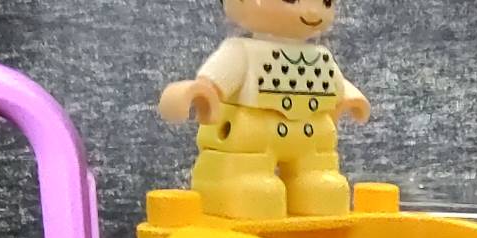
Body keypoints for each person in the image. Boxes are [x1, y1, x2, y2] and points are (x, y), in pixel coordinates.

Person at [157, 0, 371, 219]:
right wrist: (200, 92)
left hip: (312, 134)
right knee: (253, 182)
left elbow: (337, 85)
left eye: (325, 2)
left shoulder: (319, 56)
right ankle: (242, 180)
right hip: (252, 134)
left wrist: (350, 99)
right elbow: (215, 81)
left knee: (320, 177)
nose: (312, 10)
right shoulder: (241, 52)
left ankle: (314, 178)